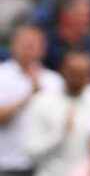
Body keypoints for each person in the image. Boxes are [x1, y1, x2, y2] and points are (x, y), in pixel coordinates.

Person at [23, 50, 90, 176]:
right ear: (63, 70)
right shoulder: (42, 101)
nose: (77, 79)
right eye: (73, 72)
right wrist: (60, 133)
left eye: (82, 74)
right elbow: (31, 151)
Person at [0, 25, 63, 176]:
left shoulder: (55, 81)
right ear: (13, 46)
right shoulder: (2, 75)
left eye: (34, 44)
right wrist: (28, 96)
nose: (29, 49)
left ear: (43, 48)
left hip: (45, 166)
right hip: (8, 163)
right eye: (25, 44)